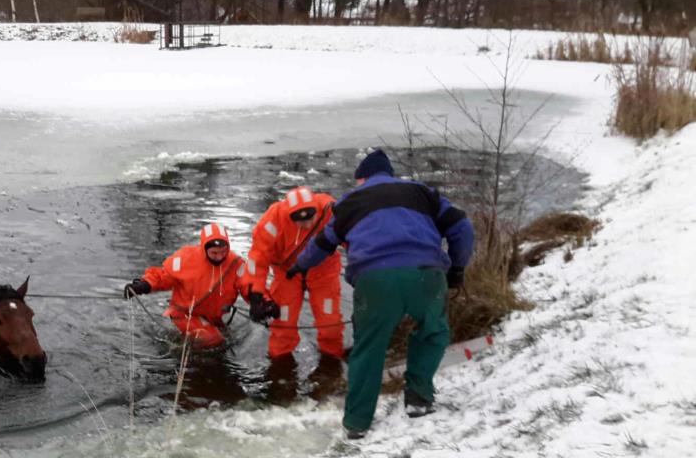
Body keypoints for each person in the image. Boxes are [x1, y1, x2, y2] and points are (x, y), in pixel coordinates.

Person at [290, 148, 475, 439]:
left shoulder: (350, 202)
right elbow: (462, 227)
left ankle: (357, 423)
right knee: (433, 332)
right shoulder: (422, 192)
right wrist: (457, 268)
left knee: (369, 348)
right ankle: (418, 398)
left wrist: (298, 267)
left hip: (375, 280)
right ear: (389, 174)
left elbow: (322, 244)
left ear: (361, 179)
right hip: (426, 274)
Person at [246, 186, 344, 361]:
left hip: (323, 270)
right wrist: (256, 295)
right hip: (287, 273)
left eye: (310, 219)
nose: (307, 225)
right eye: (300, 221)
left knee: (331, 325)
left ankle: (332, 363)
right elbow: (257, 258)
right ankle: (279, 366)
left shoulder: (331, 211)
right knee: (283, 325)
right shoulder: (273, 222)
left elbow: (354, 238)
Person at [124, 223, 250, 349]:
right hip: (184, 314)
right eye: (214, 253)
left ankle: (192, 345)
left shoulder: (236, 264)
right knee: (213, 339)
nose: (220, 257)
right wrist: (144, 285)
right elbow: (164, 276)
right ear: (204, 248)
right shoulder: (186, 259)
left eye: (224, 252)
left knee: (218, 340)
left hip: (215, 317)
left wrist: (259, 301)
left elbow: (249, 285)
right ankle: (187, 350)